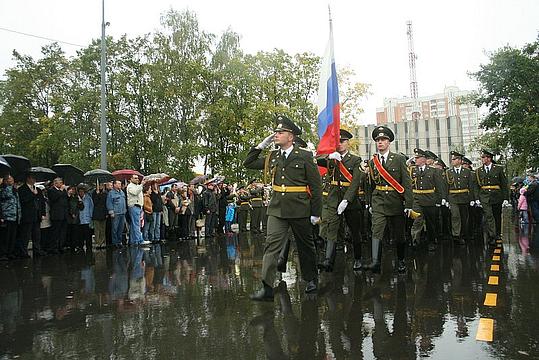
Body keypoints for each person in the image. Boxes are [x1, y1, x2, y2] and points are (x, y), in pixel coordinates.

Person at [244, 115, 322, 300]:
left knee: (305, 246)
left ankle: (311, 279)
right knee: (271, 246)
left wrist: (315, 212)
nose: (276, 135)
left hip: (299, 207)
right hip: (277, 208)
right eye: (276, 132)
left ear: (291, 136)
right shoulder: (272, 156)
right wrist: (259, 146)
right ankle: (267, 287)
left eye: (281, 132)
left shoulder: (304, 156)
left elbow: (316, 186)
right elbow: (248, 163)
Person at [365, 126, 413, 274]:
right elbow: (371, 184)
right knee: (377, 230)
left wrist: (409, 204)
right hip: (378, 200)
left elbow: (406, 182)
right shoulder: (373, 162)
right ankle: (375, 262)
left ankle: (401, 261)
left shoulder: (398, 159)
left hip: (395, 201)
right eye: (378, 140)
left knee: (399, 234)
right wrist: (369, 202)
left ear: (389, 142)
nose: (380, 142)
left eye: (383, 140)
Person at [317, 129, 366, 272]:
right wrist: (329, 156)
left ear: (348, 143)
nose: (340, 144)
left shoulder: (355, 160)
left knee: (355, 231)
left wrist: (346, 200)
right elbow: (316, 159)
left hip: (350, 200)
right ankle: (328, 261)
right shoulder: (332, 158)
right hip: (333, 199)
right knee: (332, 230)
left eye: (342, 141)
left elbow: (356, 181)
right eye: (337, 141)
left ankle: (358, 259)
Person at [410, 148, 447, 252]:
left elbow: (439, 186)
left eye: (417, 158)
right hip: (416, 199)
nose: (415, 159)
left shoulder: (434, 171)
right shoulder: (412, 170)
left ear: (423, 159)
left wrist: (441, 199)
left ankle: (431, 242)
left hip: (430, 199)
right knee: (417, 221)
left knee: (431, 223)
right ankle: (415, 241)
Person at [472, 149, 509, 245]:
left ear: (489, 158)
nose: (482, 159)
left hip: (496, 195)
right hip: (484, 196)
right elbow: (476, 186)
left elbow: (504, 184)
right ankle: (492, 235)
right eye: (482, 157)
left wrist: (505, 198)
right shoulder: (478, 171)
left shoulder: (498, 169)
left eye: (484, 157)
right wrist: (477, 198)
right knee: (489, 216)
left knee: (497, 215)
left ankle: (497, 234)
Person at [446, 151, 474, 245]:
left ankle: (463, 234)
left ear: (459, 160)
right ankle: (456, 235)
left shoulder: (467, 171)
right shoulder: (448, 172)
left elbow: (470, 186)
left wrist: (472, 199)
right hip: (453, 197)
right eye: (452, 159)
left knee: (464, 217)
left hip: (464, 197)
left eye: (454, 159)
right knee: (455, 216)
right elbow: (446, 186)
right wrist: (446, 199)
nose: (452, 161)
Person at [17, 173, 46, 257]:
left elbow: (42, 202)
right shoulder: (22, 189)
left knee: (36, 235)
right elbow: (23, 201)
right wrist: (33, 194)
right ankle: (23, 252)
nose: (34, 180)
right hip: (27, 216)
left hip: (37, 215)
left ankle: (37, 250)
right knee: (25, 235)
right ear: (28, 179)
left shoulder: (38, 189)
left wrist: (43, 213)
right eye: (32, 178)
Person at [0, 175, 21, 260]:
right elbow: (5, 195)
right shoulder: (3, 189)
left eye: (12, 179)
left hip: (15, 216)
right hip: (7, 215)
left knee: (13, 236)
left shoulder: (15, 190)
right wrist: (9, 186)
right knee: (5, 237)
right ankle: (3, 253)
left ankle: (10, 252)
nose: (11, 181)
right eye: (9, 180)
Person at [47, 177, 69, 254]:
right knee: (56, 232)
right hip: (56, 214)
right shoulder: (51, 190)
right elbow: (54, 198)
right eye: (60, 182)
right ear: (56, 183)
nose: (62, 184)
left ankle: (61, 246)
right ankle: (54, 247)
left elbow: (66, 199)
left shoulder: (63, 191)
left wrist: (65, 192)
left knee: (62, 232)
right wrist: (61, 190)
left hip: (64, 214)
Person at [107, 180, 127, 248]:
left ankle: (119, 242)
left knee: (120, 229)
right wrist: (111, 212)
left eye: (120, 184)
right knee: (115, 229)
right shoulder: (111, 193)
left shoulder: (122, 192)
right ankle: (114, 243)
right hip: (116, 213)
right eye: (118, 184)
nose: (120, 185)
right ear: (114, 185)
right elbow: (109, 203)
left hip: (122, 213)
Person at [126, 174, 146, 245]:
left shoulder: (137, 186)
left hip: (139, 206)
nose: (137, 179)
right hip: (134, 206)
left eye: (137, 178)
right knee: (136, 224)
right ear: (131, 179)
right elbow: (135, 192)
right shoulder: (130, 186)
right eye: (135, 178)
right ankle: (139, 240)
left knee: (134, 224)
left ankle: (132, 241)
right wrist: (141, 185)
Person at [92, 182, 109, 249]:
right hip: (96, 213)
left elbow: (106, 203)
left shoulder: (105, 193)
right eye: (100, 185)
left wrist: (106, 213)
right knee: (97, 229)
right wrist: (97, 194)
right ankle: (98, 243)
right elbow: (95, 202)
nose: (101, 186)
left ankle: (102, 242)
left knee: (103, 229)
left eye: (102, 185)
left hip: (103, 213)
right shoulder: (94, 193)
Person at [78, 185, 94, 251]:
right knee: (80, 235)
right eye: (80, 192)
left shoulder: (88, 198)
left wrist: (91, 216)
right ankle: (80, 246)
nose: (81, 193)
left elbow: (91, 207)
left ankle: (89, 246)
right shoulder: (77, 198)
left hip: (87, 219)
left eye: (82, 191)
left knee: (88, 234)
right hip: (79, 219)